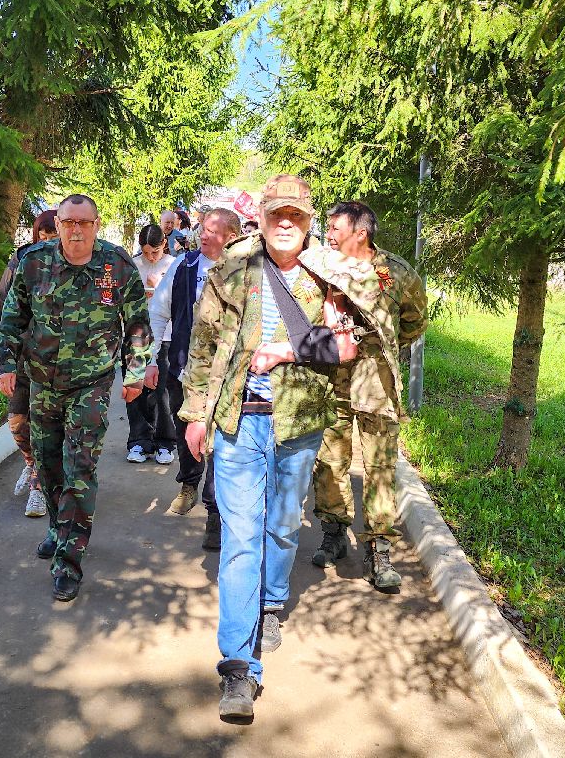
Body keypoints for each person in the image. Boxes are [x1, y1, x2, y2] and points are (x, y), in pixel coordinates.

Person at [180, 175, 350, 723]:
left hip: (298, 425)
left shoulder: (329, 275)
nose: (285, 222)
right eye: (277, 213)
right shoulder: (233, 267)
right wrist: (194, 414)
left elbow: (345, 344)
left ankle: (272, 601)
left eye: (295, 216)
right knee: (240, 540)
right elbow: (202, 343)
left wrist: (283, 349)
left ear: (307, 222)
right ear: (263, 216)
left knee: (281, 527)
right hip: (237, 424)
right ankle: (237, 668)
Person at [0, 194, 151, 602]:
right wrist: (6, 363)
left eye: (84, 222)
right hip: (43, 382)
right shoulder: (33, 261)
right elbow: (13, 317)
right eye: (68, 222)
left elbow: (137, 321)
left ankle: (68, 561)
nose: (76, 230)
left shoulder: (117, 265)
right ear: (58, 223)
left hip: (92, 384)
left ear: (97, 224)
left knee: (79, 468)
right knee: (46, 467)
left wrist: (134, 373)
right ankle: (55, 528)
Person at [309, 201, 427, 593]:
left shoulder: (396, 272)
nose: (328, 233)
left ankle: (379, 550)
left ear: (361, 233)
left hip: (376, 382)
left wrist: (378, 346)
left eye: (335, 227)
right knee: (329, 460)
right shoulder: (320, 267)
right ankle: (333, 531)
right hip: (330, 377)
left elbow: (413, 321)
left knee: (380, 467)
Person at [144, 206, 242, 550]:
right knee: (187, 430)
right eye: (202, 228)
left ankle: (215, 512)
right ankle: (188, 486)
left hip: (229, 373)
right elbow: (159, 311)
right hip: (184, 366)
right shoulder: (183, 267)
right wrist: (153, 359)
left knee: (219, 440)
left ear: (231, 236)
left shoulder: (242, 271)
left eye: (212, 231)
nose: (202, 235)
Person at [0, 209, 57, 519]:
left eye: (54, 236)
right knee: (17, 419)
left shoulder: (73, 265)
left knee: (43, 423)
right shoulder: (23, 259)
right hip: (19, 354)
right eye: (44, 236)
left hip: (52, 361)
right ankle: (30, 464)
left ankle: (39, 487)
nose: (49, 242)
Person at [125, 224, 176, 464]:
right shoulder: (133, 266)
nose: (151, 257)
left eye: (154, 252)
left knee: (162, 391)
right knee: (135, 388)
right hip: (137, 336)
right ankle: (138, 441)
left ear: (164, 244)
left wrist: (159, 290)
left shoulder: (174, 265)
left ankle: (165, 442)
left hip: (165, 336)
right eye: (146, 252)